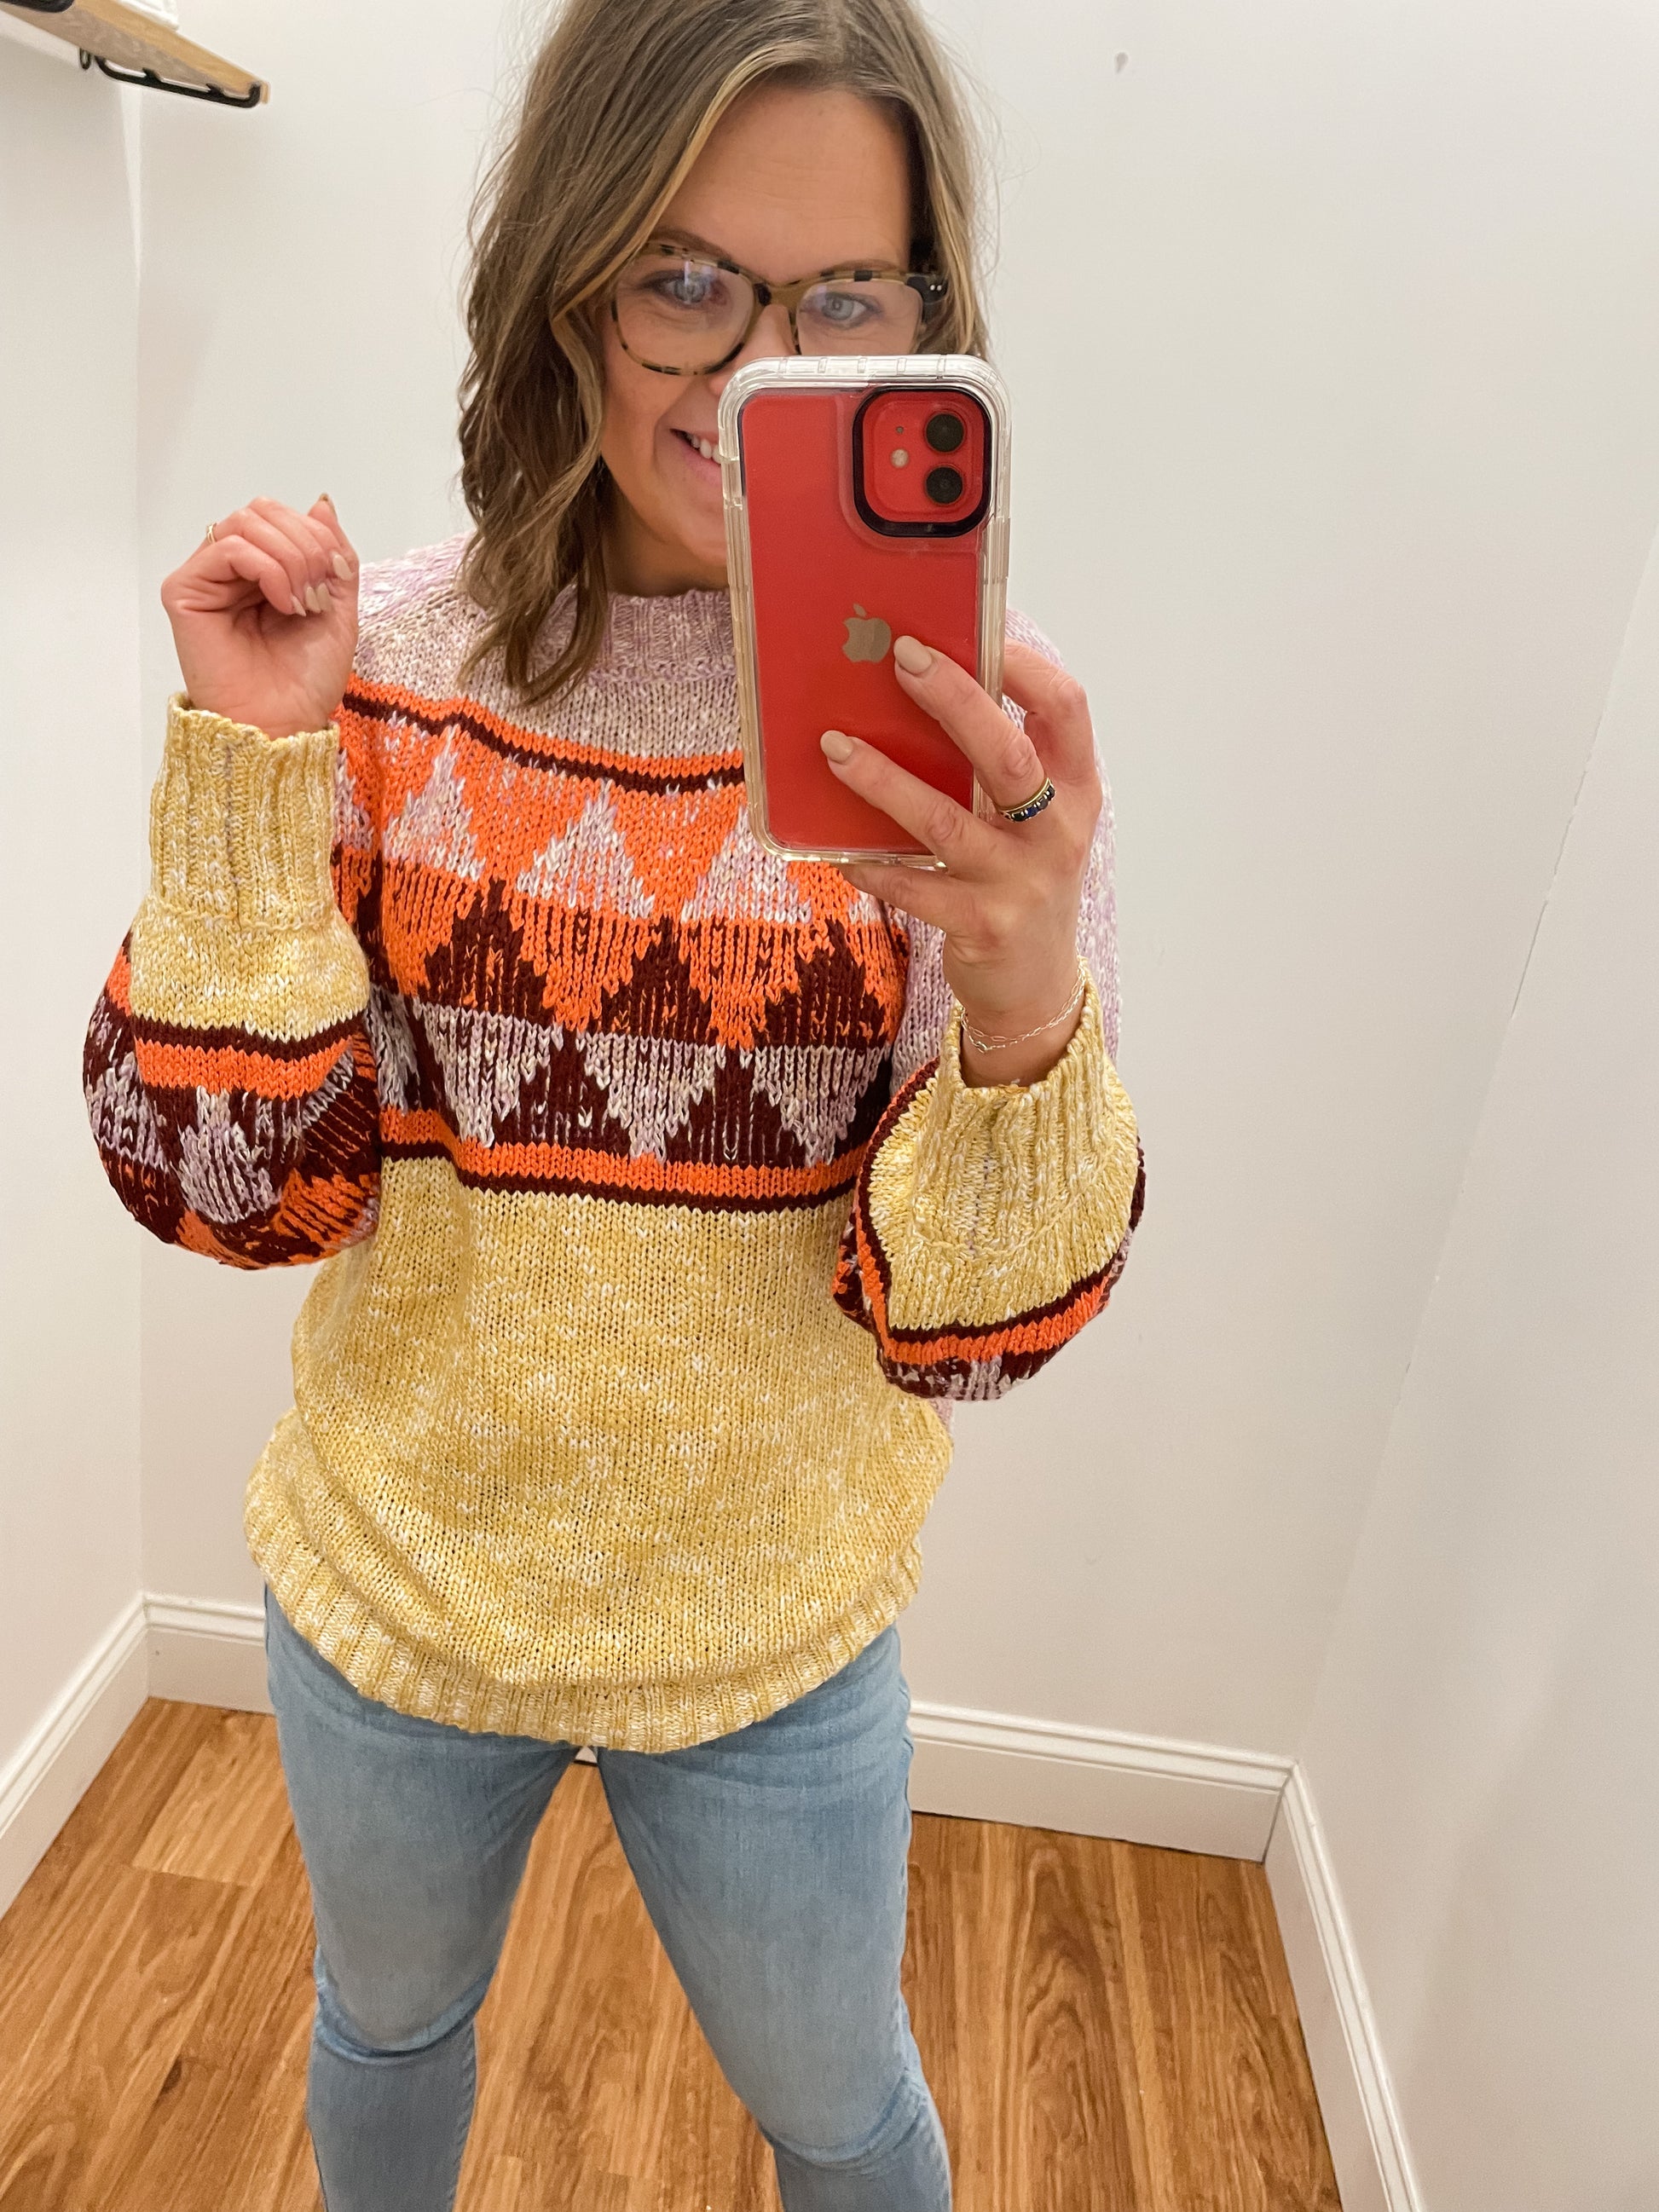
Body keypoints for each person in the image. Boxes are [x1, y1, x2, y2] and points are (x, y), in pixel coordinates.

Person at [82, 0, 1144, 2203]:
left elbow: (971, 1336)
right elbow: (231, 1199)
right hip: (395, 1600)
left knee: (844, 2118)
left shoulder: (976, 744)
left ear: (927, 322)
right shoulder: (377, 670)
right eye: (687, 278)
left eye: (843, 300)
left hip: (774, 1642)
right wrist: (256, 774)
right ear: (568, 280)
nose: (757, 370)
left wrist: (1026, 1001)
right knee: (384, 2027)